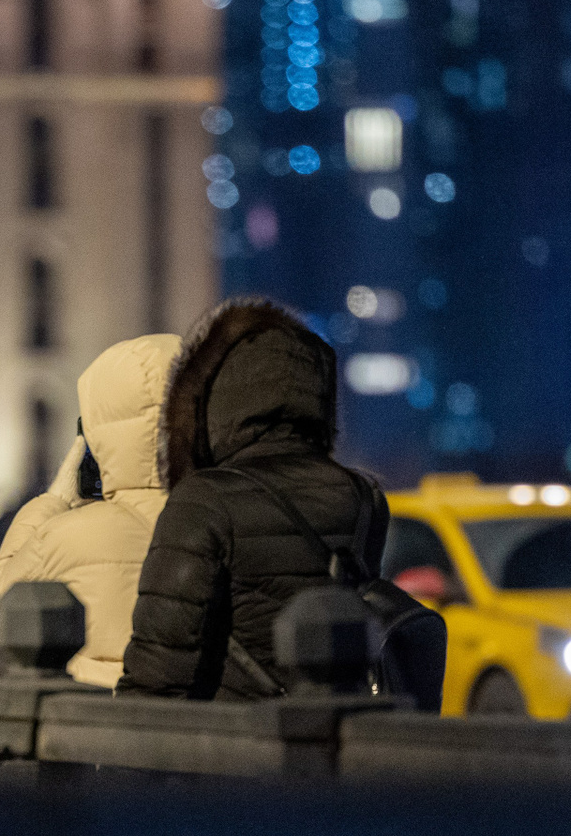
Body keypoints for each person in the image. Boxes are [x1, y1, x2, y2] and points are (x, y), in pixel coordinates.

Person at [119, 298, 387, 700]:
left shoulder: (204, 501)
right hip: (337, 729)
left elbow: (159, 672)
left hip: (235, 733)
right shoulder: (362, 497)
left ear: (211, 402)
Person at [0, 333, 183, 687]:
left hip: (95, 716)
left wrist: (56, 499)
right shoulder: (221, 518)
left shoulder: (67, 535)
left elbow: (3, 605)